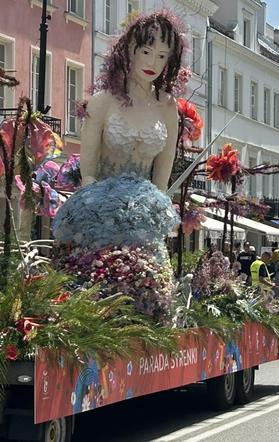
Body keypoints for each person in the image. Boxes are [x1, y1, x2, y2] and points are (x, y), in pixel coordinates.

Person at [51, 11, 186, 321]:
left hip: (144, 219)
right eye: (146, 51)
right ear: (129, 51)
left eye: (162, 55)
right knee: (96, 292)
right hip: (101, 217)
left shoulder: (168, 108)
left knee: (148, 295)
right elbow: (89, 175)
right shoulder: (103, 102)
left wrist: (158, 213)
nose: (153, 61)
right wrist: (96, 216)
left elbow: (161, 179)